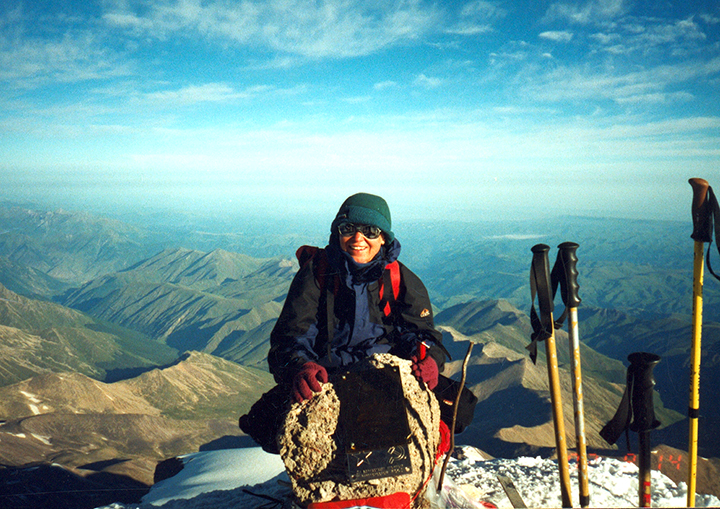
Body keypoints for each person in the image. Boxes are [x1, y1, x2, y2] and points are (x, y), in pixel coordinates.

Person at [240, 192, 447, 453]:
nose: (358, 238)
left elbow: (422, 334)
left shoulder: (399, 279)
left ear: (383, 237)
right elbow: (289, 339)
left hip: (386, 380)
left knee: (458, 408)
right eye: (348, 229)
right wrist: (300, 368)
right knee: (263, 422)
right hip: (327, 378)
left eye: (370, 231)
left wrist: (430, 359)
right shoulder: (316, 274)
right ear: (337, 233)